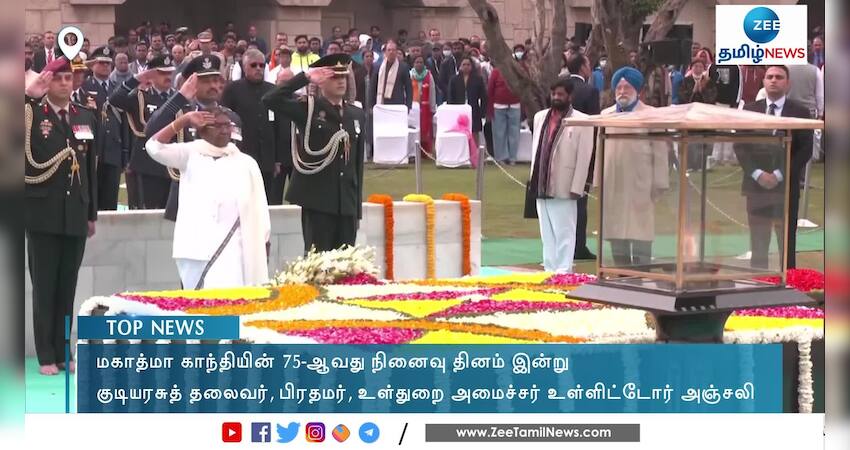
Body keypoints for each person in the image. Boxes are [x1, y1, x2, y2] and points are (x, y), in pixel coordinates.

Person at [25, 58, 100, 375]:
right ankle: (46, 354)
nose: (65, 83)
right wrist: (27, 96)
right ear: (47, 81)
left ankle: (63, 351)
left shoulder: (85, 116)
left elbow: (90, 168)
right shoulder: (31, 113)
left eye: (69, 78)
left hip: (75, 213)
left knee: (67, 286)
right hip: (42, 213)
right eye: (59, 78)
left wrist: (91, 212)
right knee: (44, 287)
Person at [146, 107, 270, 288]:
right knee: (199, 302)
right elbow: (153, 147)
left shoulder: (246, 163)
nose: (225, 130)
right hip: (195, 247)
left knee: (228, 300)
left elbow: (260, 207)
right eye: (218, 126)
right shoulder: (190, 154)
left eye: (228, 125)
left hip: (233, 248)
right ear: (202, 130)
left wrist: (264, 240)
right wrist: (184, 120)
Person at [262, 53, 366, 252]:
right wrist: (305, 77)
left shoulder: (356, 115)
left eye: (343, 77)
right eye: (334, 77)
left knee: (347, 263)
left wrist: (357, 210)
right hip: (318, 201)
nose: (341, 82)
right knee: (317, 260)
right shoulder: (309, 108)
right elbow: (270, 100)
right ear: (322, 81)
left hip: (347, 203)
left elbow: (357, 166)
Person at [735, 65, 813, 270]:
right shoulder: (750, 111)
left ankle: (789, 283)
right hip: (756, 188)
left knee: (786, 242)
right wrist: (758, 174)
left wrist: (779, 175)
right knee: (758, 242)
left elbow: (805, 150)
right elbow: (740, 146)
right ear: (763, 82)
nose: (773, 80)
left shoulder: (800, 112)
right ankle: (758, 282)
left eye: (779, 77)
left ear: (788, 83)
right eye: (769, 76)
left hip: (786, 188)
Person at [145, 54, 236, 222]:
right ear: (191, 83)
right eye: (206, 81)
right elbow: (151, 130)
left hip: (223, 197)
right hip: (186, 194)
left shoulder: (231, 117)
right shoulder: (179, 112)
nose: (213, 86)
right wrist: (180, 97)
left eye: (215, 80)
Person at [596, 67, 669, 266]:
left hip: (641, 183)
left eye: (627, 87)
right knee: (615, 229)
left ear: (638, 90)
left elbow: (660, 151)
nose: (622, 92)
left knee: (641, 229)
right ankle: (621, 274)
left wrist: (660, 183)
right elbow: (600, 149)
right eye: (619, 87)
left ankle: (642, 273)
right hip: (613, 183)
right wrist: (598, 180)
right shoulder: (606, 114)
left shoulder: (651, 115)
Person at [527, 78, 594, 273]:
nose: (556, 97)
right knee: (546, 232)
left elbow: (585, 156)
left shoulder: (582, 120)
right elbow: (536, 149)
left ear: (570, 96)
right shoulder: (540, 117)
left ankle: (564, 270)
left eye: (561, 94)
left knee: (564, 230)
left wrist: (578, 186)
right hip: (541, 182)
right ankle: (550, 268)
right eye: (554, 94)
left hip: (565, 184)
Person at [222, 49, 291, 205]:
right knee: (243, 201)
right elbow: (225, 122)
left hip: (267, 158)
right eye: (254, 65)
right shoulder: (232, 90)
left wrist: (277, 159)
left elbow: (279, 127)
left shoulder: (272, 90)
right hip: (241, 155)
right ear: (245, 67)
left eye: (261, 65)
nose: (258, 68)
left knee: (266, 201)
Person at [108, 55, 178, 210]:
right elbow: (115, 99)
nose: (167, 76)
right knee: (147, 210)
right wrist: (136, 79)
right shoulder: (141, 97)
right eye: (162, 73)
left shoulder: (178, 98)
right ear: (151, 74)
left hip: (173, 162)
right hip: (147, 164)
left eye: (169, 72)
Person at [563, 54, 601, 261]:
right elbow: (593, 125)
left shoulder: (560, 87)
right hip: (582, 150)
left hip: (561, 149)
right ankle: (578, 246)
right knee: (580, 199)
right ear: (583, 67)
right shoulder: (589, 91)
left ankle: (564, 244)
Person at [678, 58, 718, 172]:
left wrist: (702, 91)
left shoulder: (708, 82)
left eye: (701, 67)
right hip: (690, 115)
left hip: (704, 116)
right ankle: (690, 165)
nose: (698, 69)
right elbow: (681, 97)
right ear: (691, 68)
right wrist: (693, 92)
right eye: (696, 66)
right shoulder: (686, 81)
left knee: (703, 140)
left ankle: (701, 165)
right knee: (690, 140)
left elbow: (713, 97)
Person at [447, 56, 487, 167]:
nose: (466, 67)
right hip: (459, 112)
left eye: (468, 65)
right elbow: (450, 96)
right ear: (460, 66)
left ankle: (477, 159)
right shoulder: (454, 79)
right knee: (461, 135)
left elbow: (484, 97)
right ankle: (461, 157)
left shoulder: (478, 79)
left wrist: (482, 112)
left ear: (471, 66)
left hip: (474, 110)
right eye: (463, 65)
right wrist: (452, 110)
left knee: (474, 134)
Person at [486, 63, 521, 165]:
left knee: (514, 133)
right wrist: (490, 109)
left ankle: (512, 158)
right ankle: (500, 157)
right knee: (499, 133)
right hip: (498, 106)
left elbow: (523, 88)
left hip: (515, 105)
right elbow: (490, 90)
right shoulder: (496, 72)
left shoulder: (517, 71)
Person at [372, 40, 413, 109]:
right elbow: (373, 86)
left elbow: (408, 87)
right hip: (381, 102)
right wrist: (371, 105)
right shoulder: (378, 67)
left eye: (393, 50)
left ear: (396, 52)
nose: (391, 52)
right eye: (389, 50)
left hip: (397, 103)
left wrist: (408, 105)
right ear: (385, 52)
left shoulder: (403, 67)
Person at [410, 55, 436, 154]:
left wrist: (432, 108)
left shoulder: (428, 75)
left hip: (425, 107)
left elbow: (432, 91)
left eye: (421, 62)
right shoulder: (410, 75)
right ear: (413, 64)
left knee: (426, 128)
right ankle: (414, 151)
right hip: (413, 108)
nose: (419, 64)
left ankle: (425, 151)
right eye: (417, 62)